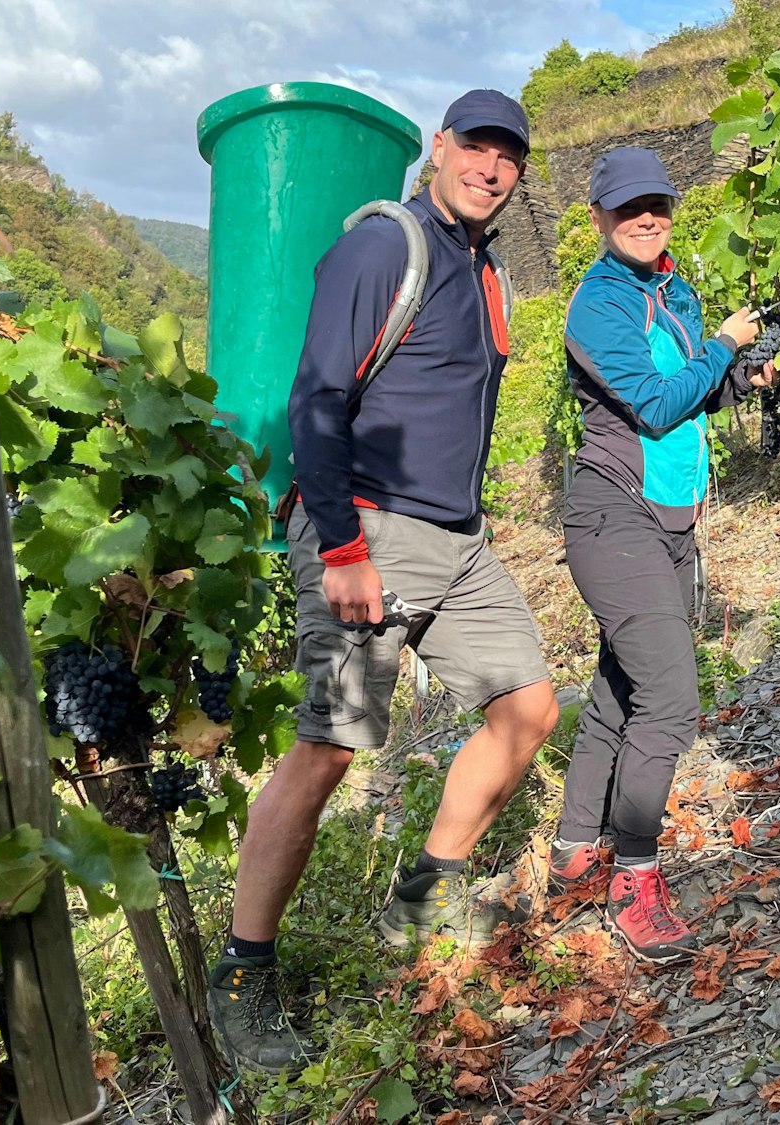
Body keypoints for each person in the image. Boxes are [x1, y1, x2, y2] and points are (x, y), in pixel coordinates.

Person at [208, 89, 561, 1072]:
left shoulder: (482, 268)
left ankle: (425, 892)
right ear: (437, 149)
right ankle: (242, 973)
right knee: (327, 751)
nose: (490, 169)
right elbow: (317, 396)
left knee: (527, 708)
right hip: (370, 532)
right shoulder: (384, 246)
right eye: (475, 149)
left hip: (456, 541)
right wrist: (340, 549)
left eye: (507, 158)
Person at [545, 147, 770, 964]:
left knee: (618, 692)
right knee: (671, 700)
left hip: (667, 518)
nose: (647, 217)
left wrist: (746, 374)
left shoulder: (671, 291)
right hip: (615, 516)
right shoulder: (599, 304)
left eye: (658, 204)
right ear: (600, 219)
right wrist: (721, 343)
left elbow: (699, 393)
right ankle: (635, 877)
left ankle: (574, 853)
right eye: (629, 206)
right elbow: (649, 403)